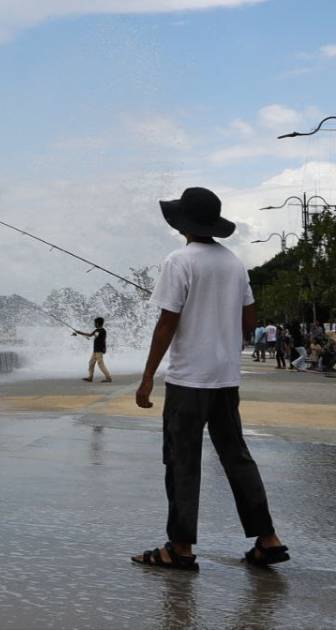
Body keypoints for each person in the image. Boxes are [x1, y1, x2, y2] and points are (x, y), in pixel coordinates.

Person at [132, 187, 287, 571]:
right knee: (236, 457)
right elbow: (249, 321)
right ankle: (267, 539)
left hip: (188, 381)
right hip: (225, 379)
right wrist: (220, 332)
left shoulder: (179, 261)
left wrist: (148, 377)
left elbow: (167, 323)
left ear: (182, 222)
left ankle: (180, 548)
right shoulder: (233, 263)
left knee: (182, 460)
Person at [74, 317, 112, 383]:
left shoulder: (102, 331)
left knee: (100, 364)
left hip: (99, 350)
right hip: (95, 350)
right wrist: (79, 332)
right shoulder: (96, 330)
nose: (94, 324)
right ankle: (90, 377)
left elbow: (98, 338)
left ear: (97, 323)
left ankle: (108, 378)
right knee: (91, 363)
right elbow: (90, 335)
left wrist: (104, 348)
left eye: (95, 323)